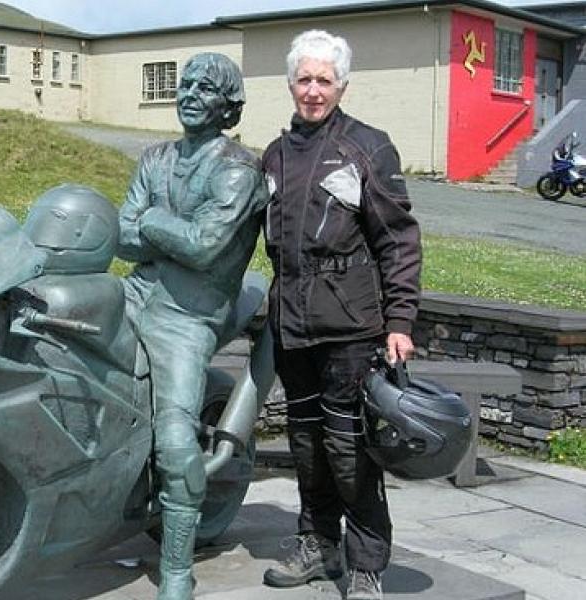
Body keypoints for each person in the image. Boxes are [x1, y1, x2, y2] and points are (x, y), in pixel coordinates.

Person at [260, 30, 421, 600]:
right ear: (290, 83)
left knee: (349, 449)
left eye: (323, 80)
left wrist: (400, 321)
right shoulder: (275, 154)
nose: (312, 91)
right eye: (304, 79)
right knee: (305, 444)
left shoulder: (367, 147)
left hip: (352, 326)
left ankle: (366, 564)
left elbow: (398, 240)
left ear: (342, 85)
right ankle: (317, 542)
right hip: (292, 325)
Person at [117, 52, 267, 599]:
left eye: (206, 89)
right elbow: (120, 236)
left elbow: (204, 248)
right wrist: (158, 233)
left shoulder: (237, 169)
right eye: (185, 85)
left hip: (186, 317)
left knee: (176, 441)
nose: (190, 94)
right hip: (133, 292)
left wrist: (150, 223)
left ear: (228, 108)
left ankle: (177, 571)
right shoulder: (154, 158)